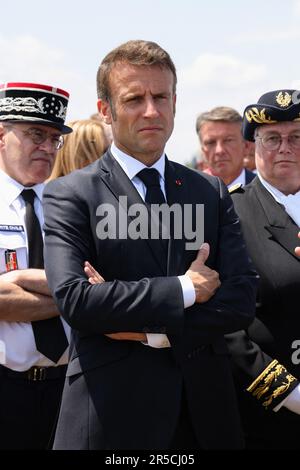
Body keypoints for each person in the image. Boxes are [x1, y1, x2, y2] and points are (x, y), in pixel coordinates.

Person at [43, 40, 257, 450]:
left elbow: (241, 298)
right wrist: (185, 289)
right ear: (105, 110)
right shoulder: (71, 194)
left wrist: (149, 334)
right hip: (110, 416)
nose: (151, 111)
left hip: (204, 416)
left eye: (161, 97)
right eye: (134, 98)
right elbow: (77, 301)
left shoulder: (208, 191)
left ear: (175, 102)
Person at [227, 89, 300, 449]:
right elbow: (223, 326)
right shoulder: (228, 215)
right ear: (251, 148)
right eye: (272, 138)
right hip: (266, 417)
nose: (285, 147)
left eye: (297, 137)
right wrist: (289, 393)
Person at [0, 82, 71, 449]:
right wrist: (74, 297)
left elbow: (102, 285)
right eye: (35, 134)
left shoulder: (70, 205)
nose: (47, 147)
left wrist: (17, 282)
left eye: (54, 138)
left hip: (68, 387)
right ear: (1, 135)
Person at [196, 106, 256, 188]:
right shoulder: (189, 193)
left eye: (228, 140)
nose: (219, 150)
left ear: (246, 146)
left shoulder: (268, 191)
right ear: (203, 151)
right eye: (211, 142)